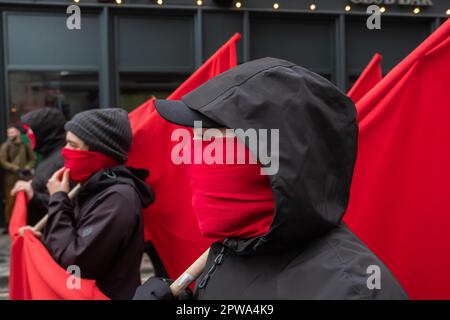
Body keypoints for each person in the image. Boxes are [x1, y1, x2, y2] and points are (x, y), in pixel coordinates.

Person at [134, 57, 408, 299]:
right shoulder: (233, 247)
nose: (194, 156)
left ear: (275, 155)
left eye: (209, 139)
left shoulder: (355, 291)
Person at [40, 108, 154, 300]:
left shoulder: (118, 199)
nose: (65, 152)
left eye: (72, 144)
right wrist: (43, 241)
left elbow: (75, 263)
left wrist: (58, 200)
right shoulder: (92, 188)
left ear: (97, 150)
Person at [11, 107, 66, 226]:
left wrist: (33, 195)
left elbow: (66, 203)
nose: (28, 133)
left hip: (50, 236)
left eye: (30, 129)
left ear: (44, 130)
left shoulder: (62, 159)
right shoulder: (49, 155)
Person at [0, 125, 35, 224]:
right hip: (10, 178)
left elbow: (32, 159)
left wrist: (27, 167)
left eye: (12, 132)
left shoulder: (25, 145)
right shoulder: (5, 146)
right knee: (10, 201)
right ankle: (10, 224)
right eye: (9, 133)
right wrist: (15, 168)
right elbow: (2, 161)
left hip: (24, 176)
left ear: (18, 133)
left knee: (26, 200)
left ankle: (26, 222)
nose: (10, 135)